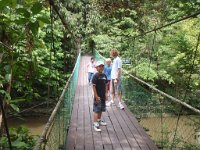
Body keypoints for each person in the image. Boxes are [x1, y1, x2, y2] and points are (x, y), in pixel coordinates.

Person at [92, 61, 108, 132]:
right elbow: (94, 86)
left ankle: (99, 120)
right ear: (96, 68)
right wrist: (96, 96)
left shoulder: (104, 75)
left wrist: (106, 94)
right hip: (98, 96)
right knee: (96, 110)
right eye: (100, 66)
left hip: (103, 96)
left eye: (102, 66)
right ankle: (95, 124)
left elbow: (106, 85)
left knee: (101, 109)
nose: (101, 67)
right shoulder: (96, 76)